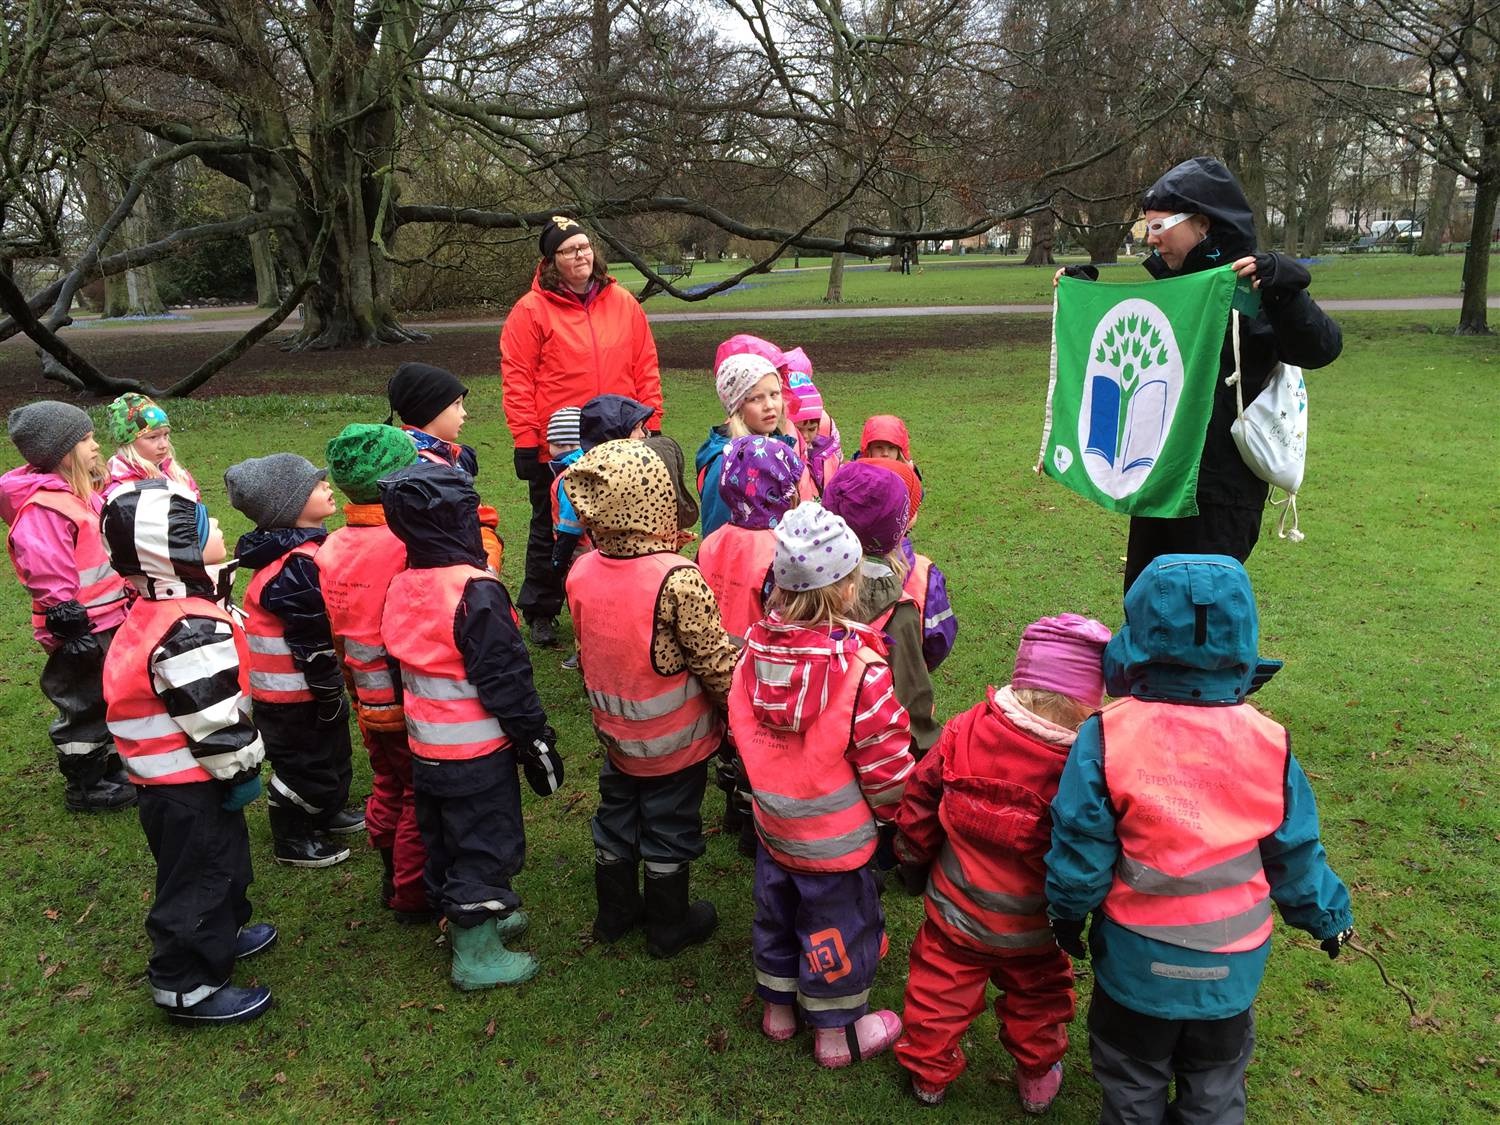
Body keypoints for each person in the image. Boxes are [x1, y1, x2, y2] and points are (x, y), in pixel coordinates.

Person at [1046, 554, 1356, 1124]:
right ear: (1243, 635)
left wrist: (1065, 914)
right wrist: (1328, 916)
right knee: (1213, 1092)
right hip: (1231, 974)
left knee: (1131, 1083)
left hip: (1136, 965)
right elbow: (1294, 853)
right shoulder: (1270, 743)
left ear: (1137, 635)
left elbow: (1081, 845)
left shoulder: (1109, 735)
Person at [1060, 157, 1343, 592]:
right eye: (1146, 228)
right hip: (1161, 483)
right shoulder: (1171, 289)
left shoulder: (1249, 288)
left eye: (1159, 228)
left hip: (1218, 492)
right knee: (1144, 605)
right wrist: (1085, 294)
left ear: (1203, 225)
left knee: (1199, 621)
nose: (1151, 241)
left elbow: (1321, 347)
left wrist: (1284, 290)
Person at [892, 614, 1112, 1113]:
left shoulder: (968, 728)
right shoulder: (1086, 765)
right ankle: (1036, 1075)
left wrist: (911, 854)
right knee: (1038, 999)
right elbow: (1095, 846)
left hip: (957, 910)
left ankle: (929, 1074)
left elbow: (922, 799)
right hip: (1038, 926)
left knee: (938, 991)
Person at [729, 502, 914, 1068]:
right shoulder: (862, 668)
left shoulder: (750, 652)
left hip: (773, 827)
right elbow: (885, 761)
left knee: (775, 912)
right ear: (849, 584)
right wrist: (893, 815)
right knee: (836, 928)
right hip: (837, 843)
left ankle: (778, 1010)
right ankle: (837, 1033)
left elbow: (739, 730)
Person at [379, 464, 563, 989]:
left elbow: (397, 662)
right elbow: (505, 676)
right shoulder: (475, 591)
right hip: (477, 753)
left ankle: (471, 913)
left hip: (426, 745)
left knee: (445, 837)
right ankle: (475, 951)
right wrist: (534, 737)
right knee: (484, 841)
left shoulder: (402, 583)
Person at [100, 478, 274, 1025]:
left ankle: (222, 931)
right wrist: (241, 767)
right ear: (174, 552)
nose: (219, 526)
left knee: (220, 862)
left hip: (174, 778)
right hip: (189, 779)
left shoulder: (160, 607)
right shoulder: (190, 627)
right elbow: (212, 715)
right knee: (198, 875)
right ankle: (186, 984)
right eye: (205, 526)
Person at [565, 440, 737, 958]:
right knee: (668, 825)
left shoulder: (581, 571)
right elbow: (711, 660)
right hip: (673, 745)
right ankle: (669, 922)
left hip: (616, 737)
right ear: (657, 500)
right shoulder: (677, 577)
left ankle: (614, 914)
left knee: (616, 814)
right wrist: (738, 704)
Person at [500, 214, 663, 648]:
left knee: (624, 519)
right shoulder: (530, 311)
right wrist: (525, 440)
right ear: (552, 261)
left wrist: (652, 420)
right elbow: (517, 378)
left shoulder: (622, 302)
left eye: (585, 246)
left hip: (618, 433)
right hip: (561, 440)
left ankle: (626, 601)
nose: (581, 255)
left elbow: (644, 364)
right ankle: (541, 608)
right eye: (570, 250)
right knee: (552, 526)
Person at [225, 453, 363, 868]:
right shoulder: (296, 566)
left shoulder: (307, 550)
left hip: (310, 686)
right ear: (289, 508)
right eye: (316, 486)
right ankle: (293, 835)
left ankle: (325, 810)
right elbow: (309, 633)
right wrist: (325, 688)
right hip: (291, 694)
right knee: (305, 761)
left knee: (332, 751)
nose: (328, 487)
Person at [318, 424, 431, 921]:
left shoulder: (332, 547)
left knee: (386, 781)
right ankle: (411, 893)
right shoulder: (404, 544)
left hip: (364, 692)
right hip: (406, 696)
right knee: (417, 794)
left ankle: (389, 868)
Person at [1, 402, 133, 811]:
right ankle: (86, 785)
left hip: (106, 618)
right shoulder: (45, 508)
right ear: (61, 451)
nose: (96, 447)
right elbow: (46, 569)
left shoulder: (77, 494)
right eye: (86, 440)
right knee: (83, 703)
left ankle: (109, 767)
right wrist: (67, 620)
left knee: (107, 696)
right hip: (80, 627)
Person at [695, 434, 804, 855]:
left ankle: (729, 806)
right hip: (762, 664)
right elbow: (782, 614)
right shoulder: (778, 551)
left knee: (728, 734)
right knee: (756, 747)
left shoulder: (714, 540)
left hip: (720, 658)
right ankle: (750, 827)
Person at [823, 462, 940, 757]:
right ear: (897, 529)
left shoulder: (803, 588)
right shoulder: (898, 611)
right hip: (878, 759)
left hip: (817, 753)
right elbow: (912, 700)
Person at [386, 362, 503, 575]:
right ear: (430, 409)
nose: (464, 413)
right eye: (456, 404)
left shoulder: (441, 454)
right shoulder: (422, 470)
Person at [863, 455, 957, 672]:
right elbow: (939, 639)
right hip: (906, 688)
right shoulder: (925, 574)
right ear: (910, 514)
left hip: (849, 689)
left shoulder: (831, 567)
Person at [696, 352, 799, 539]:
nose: (769, 405)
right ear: (736, 406)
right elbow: (718, 537)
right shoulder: (727, 464)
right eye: (755, 398)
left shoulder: (779, 447)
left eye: (774, 394)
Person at [103, 393, 200, 499]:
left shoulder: (177, 475)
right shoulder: (122, 489)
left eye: (165, 435)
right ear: (128, 442)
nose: (164, 445)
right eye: (153, 437)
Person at [782, 347, 842, 498]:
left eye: (811, 429)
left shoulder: (827, 450)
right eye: (800, 429)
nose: (805, 436)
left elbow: (837, 463)